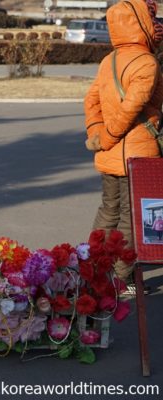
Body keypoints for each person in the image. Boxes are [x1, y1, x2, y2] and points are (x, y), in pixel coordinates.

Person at [84, 0, 163, 288]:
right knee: (132, 218)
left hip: (110, 154)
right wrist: (107, 136)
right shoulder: (146, 62)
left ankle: (93, 270)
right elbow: (130, 109)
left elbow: (91, 100)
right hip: (136, 155)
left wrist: (97, 134)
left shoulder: (110, 60)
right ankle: (121, 277)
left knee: (108, 211)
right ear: (141, 22)